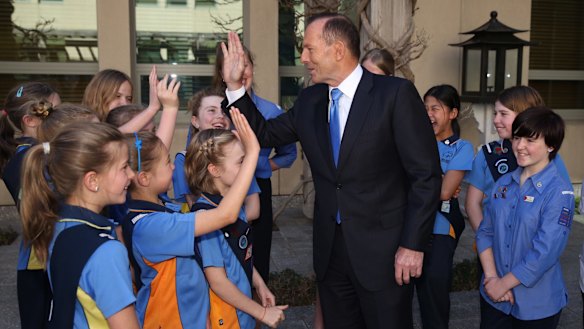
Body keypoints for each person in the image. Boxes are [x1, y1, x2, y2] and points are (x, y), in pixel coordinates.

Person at [221, 13, 442, 328]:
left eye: (310, 49)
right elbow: (263, 135)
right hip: (331, 254)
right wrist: (234, 89)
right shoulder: (310, 99)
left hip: (386, 254)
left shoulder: (394, 95)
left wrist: (413, 244)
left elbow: (426, 177)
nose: (303, 57)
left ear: (338, 49)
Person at [121, 110, 258, 329]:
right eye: (167, 162)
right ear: (144, 178)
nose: (174, 166)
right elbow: (226, 214)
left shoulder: (163, 206)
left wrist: (168, 107)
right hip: (170, 321)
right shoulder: (150, 226)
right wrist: (252, 153)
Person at [19, 122, 139, 329]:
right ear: (92, 181)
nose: (132, 175)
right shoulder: (106, 251)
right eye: (124, 167)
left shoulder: (55, 224)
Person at [476, 107, 573, 329]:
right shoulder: (503, 183)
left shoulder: (558, 192)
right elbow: (485, 232)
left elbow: (544, 252)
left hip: (536, 306)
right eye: (517, 137)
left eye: (530, 140)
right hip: (495, 299)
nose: (519, 146)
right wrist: (492, 279)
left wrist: (504, 284)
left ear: (551, 145)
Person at [187, 123, 287, 329]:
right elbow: (218, 282)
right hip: (224, 315)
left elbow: (240, 253)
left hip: (243, 310)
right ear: (214, 170)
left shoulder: (232, 205)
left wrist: (259, 285)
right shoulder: (207, 218)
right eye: (241, 161)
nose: (248, 167)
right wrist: (262, 313)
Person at [213, 45, 298, 282]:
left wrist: (260, 167)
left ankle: (259, 310)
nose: (241, 70)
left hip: (258, 189)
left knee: (256, 257)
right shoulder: (213, 109)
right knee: (219, 260)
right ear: (222, 73)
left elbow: (288, 154)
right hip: (218, 190)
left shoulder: (270, 111)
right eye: (233, 65)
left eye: (246, 64)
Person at [465, 86, 571, 234]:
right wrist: (486, 243)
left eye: (503, 114)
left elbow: (562, 205)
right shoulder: (487, 154)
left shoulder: (548, 158)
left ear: (525, 115)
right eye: (495, 113)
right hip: (492, 243)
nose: (496, 120)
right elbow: (472, 204)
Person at [0, 82, 60, 329]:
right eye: (56, 112)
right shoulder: (30, 159)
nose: (62, 117)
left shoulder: (37, 153)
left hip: (45, 259)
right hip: (40, 263)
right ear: (30, 120)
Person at [416, 85, 474, 329]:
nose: (429, 113)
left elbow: (445, 192)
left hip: (440, 229)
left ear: (452, 113)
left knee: (434, 293)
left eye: (435, 108)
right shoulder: (415, 142)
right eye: (426, 108)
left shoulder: (462, 148)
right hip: (409, 225)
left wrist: (419, 179)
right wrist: (441, 175)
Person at [172, 87, 260, 220]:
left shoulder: (240, 157)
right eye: (211, 111)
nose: (220, 116)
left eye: (224, 111)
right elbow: (193, 207)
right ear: (195, 121)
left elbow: (253, 209)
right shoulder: (183, 159)